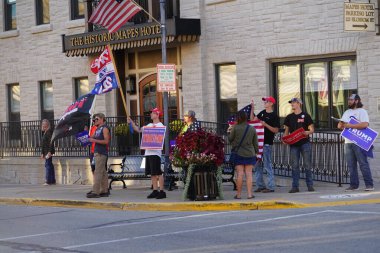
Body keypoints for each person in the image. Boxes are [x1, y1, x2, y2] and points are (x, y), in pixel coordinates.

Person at [337, 94, 374, 191]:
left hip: (359, 142)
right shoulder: (346, 112)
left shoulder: (362, 111)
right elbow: (340, 126)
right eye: (348, 99)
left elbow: (365, 124)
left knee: (363, 164)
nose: (349, 101)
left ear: (357, 101)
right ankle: (354, 185)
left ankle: (369, 185)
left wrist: (350, 126)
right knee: (351, 164)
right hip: (348, 142)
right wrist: (341, 124)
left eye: (351, 99)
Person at [128, 108, 167, 199]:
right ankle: (155, 190)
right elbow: (138, 130)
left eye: (153, 113)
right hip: (148, 152)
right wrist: (131, 122)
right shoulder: (148, 125)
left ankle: (162, 191)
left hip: (156, 153)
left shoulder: (160, 125)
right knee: (152, 173)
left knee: (158, 172)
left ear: (157, 115)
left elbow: (160, 137)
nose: (151, 114)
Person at [283, 98, 315, 193]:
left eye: (294, 102)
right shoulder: (289, 117)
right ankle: (295, 187)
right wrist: (285, 139)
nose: (292, 104)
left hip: (305, 143)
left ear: (299, 104)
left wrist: (307, 132)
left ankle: (310, 185)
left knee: (307, 165)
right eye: (291, 103)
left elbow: (312, 130)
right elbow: (286, 131)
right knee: (295, 165)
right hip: (294, 144)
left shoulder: (306, 116)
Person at [228, 111, 258, 199]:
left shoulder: (235, 128)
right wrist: (256, 152)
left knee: (240, 174)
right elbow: (255, 143)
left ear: (238, 118)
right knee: (249, 174)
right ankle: (249, 194)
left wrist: (229, 131)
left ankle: (238, 195)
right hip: (250, 153)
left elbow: (230, 139)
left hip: (238, 153)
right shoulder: (252, 128)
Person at [253, 97, 280, 193]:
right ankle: (260, 185)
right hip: (258, 143)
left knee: (267, 165)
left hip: (267, 143)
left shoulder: (274, 116)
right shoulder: (262, 113)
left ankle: (271, 186)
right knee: (257, 165)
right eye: (264, 101)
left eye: (267, 101)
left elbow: (276, 130)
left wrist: (266, 125)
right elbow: (253, 120)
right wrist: (252, 109)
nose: (265, 102)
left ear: (271, 103)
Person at [87, 113, 110, 198]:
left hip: (101, 153)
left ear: (101, 119)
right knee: (103, 172)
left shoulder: (104, 128)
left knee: (98, 172)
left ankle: (95, 191)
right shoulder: (97, 129)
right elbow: (90, 137)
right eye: (94, 120)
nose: (94, 121)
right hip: (97, 152)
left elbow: (106, 141)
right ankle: (104, 190)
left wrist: (94, 140)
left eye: (96, 119)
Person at [40, 119, 56, 186]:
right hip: (46, 151)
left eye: (45, 124)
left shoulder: (49, 132)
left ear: (47, 124)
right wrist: (42, 153)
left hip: (48, 151)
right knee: (50, 165)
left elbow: (51, 143)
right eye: (43, 124)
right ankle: (52, 180)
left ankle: (48, 180)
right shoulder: (45, 132)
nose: (44, 125)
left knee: (48, 165)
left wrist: (49, 152)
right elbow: (43, 144)